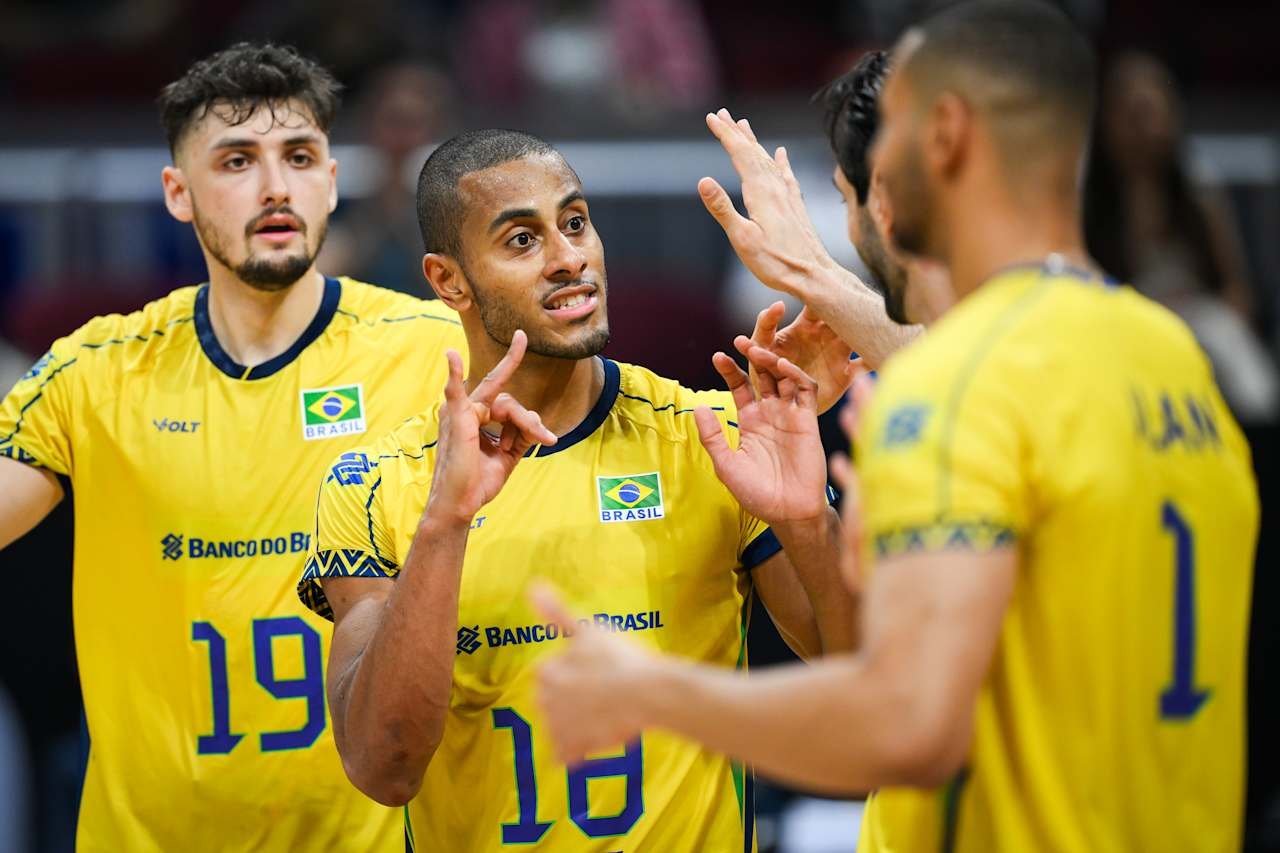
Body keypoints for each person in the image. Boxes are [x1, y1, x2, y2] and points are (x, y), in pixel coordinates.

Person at [532, 3, 1260, 851]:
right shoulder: (1171, 355)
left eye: (889, 142)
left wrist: (650, 691)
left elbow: (907, 724)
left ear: (944, 134)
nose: (873, 184)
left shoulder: (953, 392)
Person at [295, 128, 854, 851]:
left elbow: (866, 689)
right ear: (448, 280)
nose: (569, 259)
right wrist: (445, 524)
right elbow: (383, 764)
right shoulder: (375, 484)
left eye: (575, 223)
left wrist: (806, 521)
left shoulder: (713, 440)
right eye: (522, 241)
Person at [0, 43, 466, 851]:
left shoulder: (437, 352)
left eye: (300, 155)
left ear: (329, 179)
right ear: (179, 193)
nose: (276, 184)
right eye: (237, 160)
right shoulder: (94, 369)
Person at [1084, 50, 1278, 422]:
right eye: (1132, 117)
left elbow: (1237, 289)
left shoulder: (1198, 188)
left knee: (1246, 372)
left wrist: (1215, 318)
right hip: (1126, 318)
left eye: (1151, 114)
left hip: (1200, 318)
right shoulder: (1093, 202)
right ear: (1108, 122)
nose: (1144, 130)